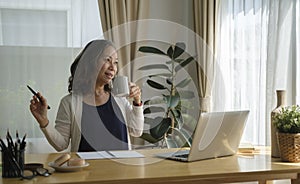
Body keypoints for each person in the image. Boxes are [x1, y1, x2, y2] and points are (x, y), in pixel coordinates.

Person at [29, 39, 144, 152]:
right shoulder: (69, 103)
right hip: (86, 170)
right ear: (90, 62)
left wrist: (137, 101)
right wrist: (44, 121)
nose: (112, 67)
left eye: (115, 62)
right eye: (107, 60)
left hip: (122, 169)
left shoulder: (119, 99)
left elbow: (137, 131)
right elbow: (61, 145)